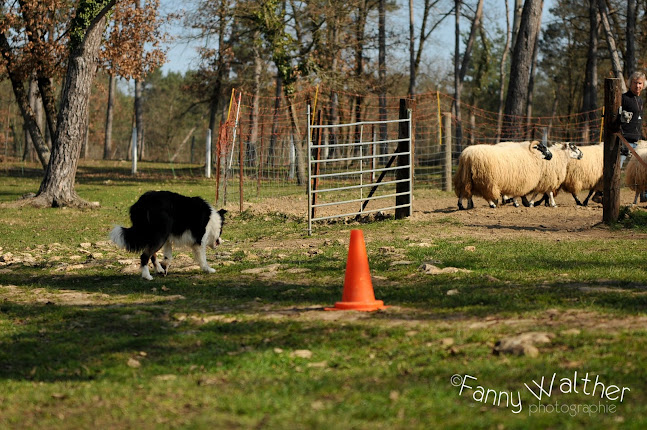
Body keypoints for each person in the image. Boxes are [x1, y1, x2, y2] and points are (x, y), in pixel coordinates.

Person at [593, 71, 646, 203]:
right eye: (635, 83)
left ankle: (644, 195)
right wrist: (619, 122)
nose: (637, 86)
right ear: (630, 84)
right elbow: (613, 115)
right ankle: (601, 194)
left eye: (640, 83)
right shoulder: (624, 98)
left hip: (635, 141)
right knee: (614, 169)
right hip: (622, 140)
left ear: (643, 85)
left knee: (642, 171)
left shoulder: (640, 101)